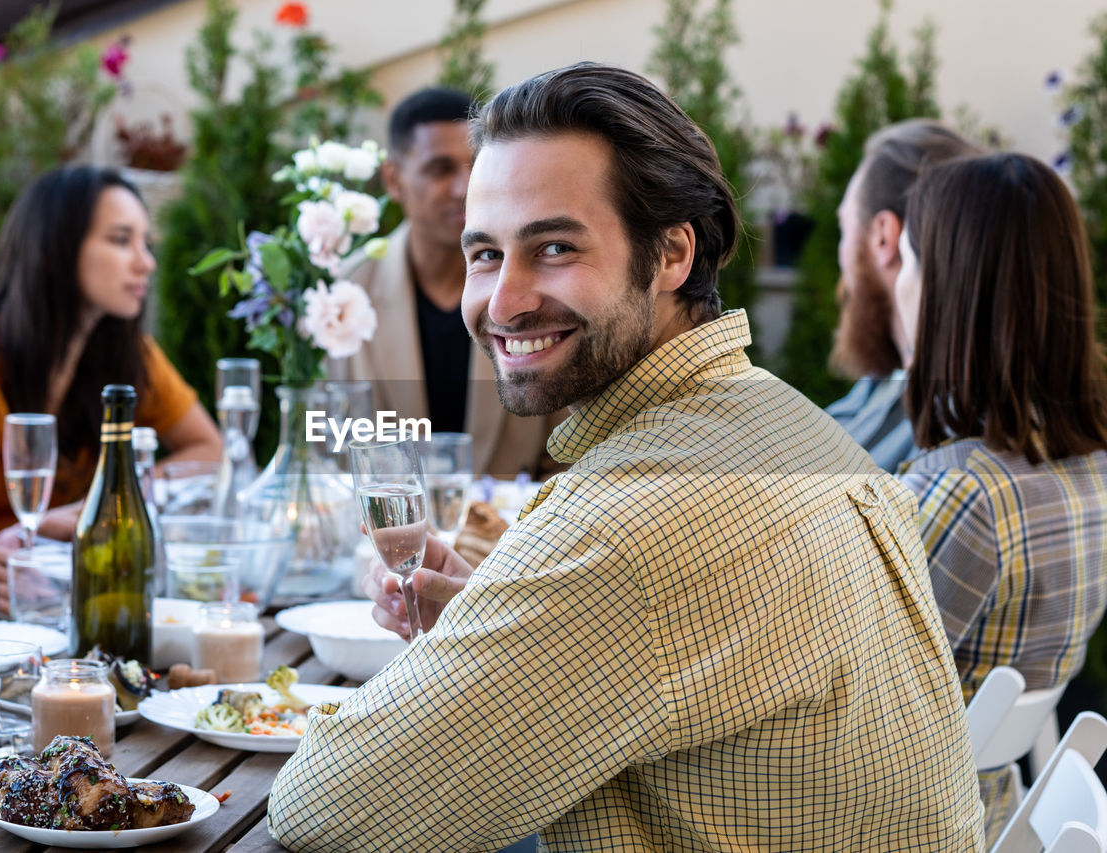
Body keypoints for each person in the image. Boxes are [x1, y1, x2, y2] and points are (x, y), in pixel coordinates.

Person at [269, 63, 983, 851]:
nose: (503, 302)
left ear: (673, 253)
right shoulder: (791, 423)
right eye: (483, 255)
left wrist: (453, 671)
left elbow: (324, 809)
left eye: (553, 246)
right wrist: (496, 628)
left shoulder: (630, 519)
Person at [896, 152, 1107, 844]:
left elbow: (843, 704)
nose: (895, 286)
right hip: (991, 812)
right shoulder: (1087, 469)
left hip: (907, 827)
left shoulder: (962, 493)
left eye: (905, 263)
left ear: (947, 291)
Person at [0, 166, 222, 555]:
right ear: (54, 249)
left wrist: (113, 495)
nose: (146, 262)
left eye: (145, 242)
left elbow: (209, 450)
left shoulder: (129, 357)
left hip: (63, 586)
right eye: (120, 240)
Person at [330, 86, 562, 479]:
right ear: (393, 180)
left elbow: (565, 451)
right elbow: (327, 447)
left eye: (475, 165)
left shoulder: (538, 284)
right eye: (440, 169)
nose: (464, 188)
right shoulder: (346, 291)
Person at [825, 119, 980, 472]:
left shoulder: (950, 434)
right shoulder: (886, 384)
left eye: (844, 229)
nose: (841, 253)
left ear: (884, 236)